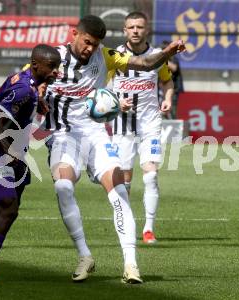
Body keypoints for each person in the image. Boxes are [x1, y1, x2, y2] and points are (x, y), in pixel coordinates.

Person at [42, 15, 184, 283]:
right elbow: (27, 78)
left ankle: (131, 265)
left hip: (96, 134)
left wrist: (165, 53)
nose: (90, 49)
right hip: (63, 136)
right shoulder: (52, 57)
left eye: (95, 45)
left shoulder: (105, 56)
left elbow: (142, 64)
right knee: (63, 187)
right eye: (86, 43)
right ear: (74, 34)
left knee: (119, 190)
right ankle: (85, 255)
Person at [0, 44, 61, 285]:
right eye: (52, 67)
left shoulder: (27, 80)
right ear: (37, 65)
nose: (55, 72)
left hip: (13, 151)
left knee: (12, 197)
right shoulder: (22, 89)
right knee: (10, 208)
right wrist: (10, 153)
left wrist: (37, 102)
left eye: (57, 67)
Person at [111, 12, 174, 245]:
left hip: (150, 121)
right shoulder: (115, 56)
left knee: (151, 175)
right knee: (125, 177)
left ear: (146, 29)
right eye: (131, 27)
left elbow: (167, 80)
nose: (135, 30)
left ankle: (148, 228)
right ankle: (128, 224)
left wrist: (167, 97)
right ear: (124, 30)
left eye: (139, 26)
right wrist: (115, 102)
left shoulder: (157, 56)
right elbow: (101, 87)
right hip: (122, 122)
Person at [160, 40, 184, 119]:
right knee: (161, 110)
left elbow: (174, 68)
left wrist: (162, 59)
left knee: (171, 109)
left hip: (174, 89)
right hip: (161, 89)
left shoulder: (173, 58)